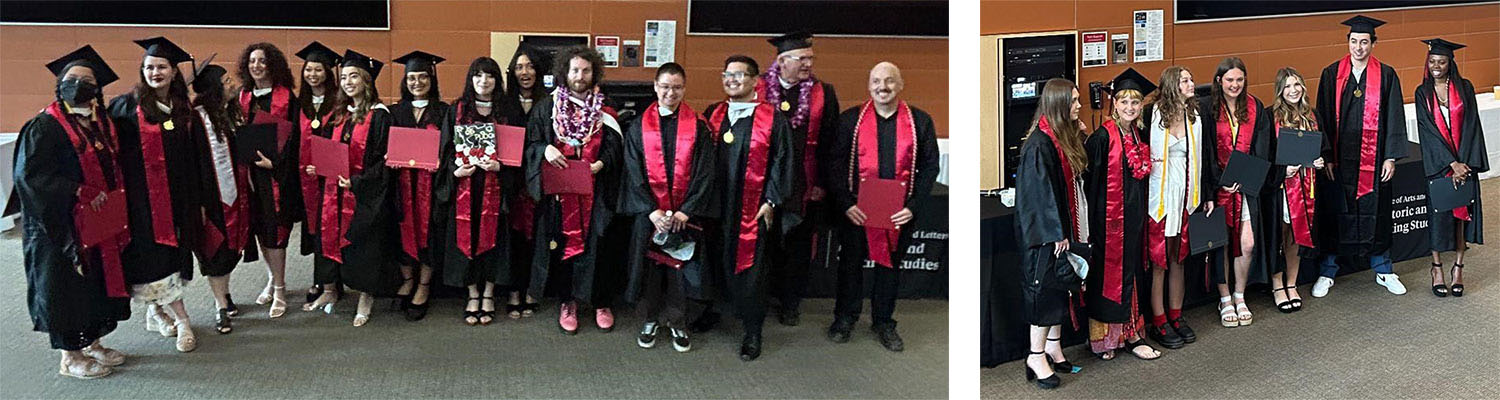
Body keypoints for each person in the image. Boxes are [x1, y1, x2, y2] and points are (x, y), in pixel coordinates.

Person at [18, 45, 133, 379]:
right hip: (59, 227)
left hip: (97, 222)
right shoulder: (44, 126)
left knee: (94, 283)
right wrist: (77, 191)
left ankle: (94, 343)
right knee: (65, 286)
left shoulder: (101, 122)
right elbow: (32, 178)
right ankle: (70, 356)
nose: (79, 85)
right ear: (60, 85)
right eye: (72, 79)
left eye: (87, 80)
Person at [825, 62, 939, 352]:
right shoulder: (850, 121)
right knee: (850, 266)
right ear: (869, 85)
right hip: (857, 210)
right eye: (876, 81)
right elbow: (835, 165)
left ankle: (884, 321)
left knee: (889, 268)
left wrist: (913, 207)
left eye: (889, 81)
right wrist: (846, 203)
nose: (882, 87)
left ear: (900, 85)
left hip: (898, 211)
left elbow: (929, 168)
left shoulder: (920, 122)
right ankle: (845, 318)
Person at [108, 36, 207, 353]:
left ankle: (156, 312)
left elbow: (193, 157)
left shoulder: (182, 109)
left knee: (172, 259)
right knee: (154, 259)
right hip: (142, 204)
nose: (155, 72)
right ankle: (182, 320)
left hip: (177, 200)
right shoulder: (126, 107)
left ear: (174, 72)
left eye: (161, 67)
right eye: (149, 67)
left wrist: (198, 201)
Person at [702, 55, 796, 361]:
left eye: (739, 75)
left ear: (756, 80)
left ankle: (752, 330)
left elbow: (784, 162)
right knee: (715, 257)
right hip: (717, 205)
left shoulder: (772, 118)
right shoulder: (714, 113)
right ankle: (715, 309)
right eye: (727, 74)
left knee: (753, 267)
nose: (732, 80)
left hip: (753, 207)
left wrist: (770, 200)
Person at [525, 46, 624, 335]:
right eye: (575, 70)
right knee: (563, 248)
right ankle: (567, 302)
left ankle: (601, 302)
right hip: (560, 195)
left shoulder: (605, 109)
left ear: (594, 73)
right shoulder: (548, 107)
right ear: (564, 73)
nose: (580, 76)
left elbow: (616, 147)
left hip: (597, 193)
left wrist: (602, 163)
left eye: (586, 70)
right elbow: (531, 144)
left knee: (600, 248)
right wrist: (545, 150)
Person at [1312, 15, 1409, 297]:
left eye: (1364, 42)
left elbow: (1394, 116)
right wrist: (1326, 155)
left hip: (1374, 159)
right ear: (1348, 42)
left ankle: (1384, 269)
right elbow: (1324, 116)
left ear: (1373, 44)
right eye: (1354, 41)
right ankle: (1328, 270)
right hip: (1340, 161)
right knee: (1335, 211)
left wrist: (1391, 156)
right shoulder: (1332, 74)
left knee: (1376, 212)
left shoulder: (1387, 75)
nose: (1358, 47)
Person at [303, 49, 398, 326]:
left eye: (354, 76)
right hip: (334, 192)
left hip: (363, 194)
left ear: (367, 80)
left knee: (364, 244)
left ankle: (365, 297)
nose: (347, 82)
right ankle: (330, 291)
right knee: (328, 236)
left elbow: (385, 161)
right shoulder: (338, 113)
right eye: (343, 77)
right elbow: (328, 150)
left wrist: (356, 182)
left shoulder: (380, 116)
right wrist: (318, 168)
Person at [758, 31, 840, 327]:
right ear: (782, 61)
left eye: (810, 58)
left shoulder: (824, 93)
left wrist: (821, 183)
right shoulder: (758, 90)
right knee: (764, 242)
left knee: (797, 245)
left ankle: (790, 302)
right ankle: (761, 297)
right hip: (764, 182)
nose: (808, 64)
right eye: (802, 58)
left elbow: (831, 143)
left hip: (804, 183)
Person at [1084, 68, 1161, 361]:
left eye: (1135, 102)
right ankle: (1107, 339)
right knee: (1109, 278)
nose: (1130, 107)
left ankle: (1131, 333)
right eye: (1124, 102)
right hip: (1108, 224)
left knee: (1131, 275)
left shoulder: (1140, 136)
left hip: (1135, 221)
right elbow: (1091, 187)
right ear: (1114, 104)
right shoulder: (1101, 138)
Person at [1015, 78, 1087, 390]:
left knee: (1061, 286)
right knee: (1043, 291)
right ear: (1058, 105)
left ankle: (1054, 347)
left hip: (1062, 230)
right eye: (1073, 101)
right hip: (1045, 236)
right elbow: (1038, 196)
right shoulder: (1039, 145)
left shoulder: (1059, 137)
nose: (1079, 105)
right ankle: (1035, 355)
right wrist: (1055, 233)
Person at [438, 56, 515, 326]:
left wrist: (501, 166)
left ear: (497, 80)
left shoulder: (507, 109)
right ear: (471, 79)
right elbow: (445, 150)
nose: (484, 81)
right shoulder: (457, 110)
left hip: (496, 187)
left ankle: (489, 293)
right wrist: (454, 172)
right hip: (465, 187)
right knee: (466, 237)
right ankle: (472, 292)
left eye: (490, 75)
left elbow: (517, 152)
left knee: (496, 240)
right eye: (478, 75)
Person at [1141, 65, 1213, 349]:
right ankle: (1158, 320)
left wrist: (1206, 192)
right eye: (1185, 80)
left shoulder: (1196, 115)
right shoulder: (1153, 115)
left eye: (1191, 78)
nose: (1192, 83)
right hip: (1160, 197)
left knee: (1178, 259)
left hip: (1186, 193)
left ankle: (1176, 315)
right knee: (1159, 262)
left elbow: (1205, 156)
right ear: (1172, 85)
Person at [1201, 57, 1272, 327]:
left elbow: (1261, 149)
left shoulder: (1254, 107)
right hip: (1218, 187)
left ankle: (1240, 294)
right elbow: (1205, 151)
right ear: (1219, 81)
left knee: (1247, 243)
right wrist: (1218, 182)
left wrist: (1245, 179)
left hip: (1245, 188)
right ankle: (1224, 298)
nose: (1235, 85)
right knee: (1221, 243)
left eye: (1239, 80)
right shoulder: (1207, 108)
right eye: (1229, 80)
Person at [235, 42, 304, 319]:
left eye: (262, 61)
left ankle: (280, 288)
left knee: (276, 232)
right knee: (261, 229)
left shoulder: (288, 99)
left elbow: (295, 139)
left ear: (273, 65)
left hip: (276, 175)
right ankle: (271, 278)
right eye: (252, 61)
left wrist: (276, 163)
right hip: (250, 176)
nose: (256, 66)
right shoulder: (242, 97)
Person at [1415, 38, 1486, 298]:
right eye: (1432, 61)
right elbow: (1427, 132)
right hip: (1439, 166)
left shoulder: (1465, 88)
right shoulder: (1422, 92)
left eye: (1441, 61)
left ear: (1450, 63)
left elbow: (1472, 127)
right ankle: (1436, 269)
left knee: (1461, 218)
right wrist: (1450, 162)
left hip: (1464, 165)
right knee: (1437, 218)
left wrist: (1463, 163)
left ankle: (1458, 269)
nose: (1436, 66)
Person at [189, 60, 255, 335]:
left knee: (231, 250)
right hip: (210, 198)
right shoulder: (196, 120)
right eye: (226, 82)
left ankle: (225, 295)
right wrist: (198, 203)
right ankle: (220, 306)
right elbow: (191, 165)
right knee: (214, 252)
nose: (232, 85)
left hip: (236, 195)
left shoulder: (230, 113)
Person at [389, 50, 450, 321]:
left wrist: (440, 160)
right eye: (411, 78)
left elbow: (450, 148)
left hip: (431, 185)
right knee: (401, 230)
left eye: (422, 77)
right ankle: (407, 279)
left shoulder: (444, 111)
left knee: (429, 233)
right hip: (401, 184)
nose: (416, 82)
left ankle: (424, 285)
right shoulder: (394, 111)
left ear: (432, 79)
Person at [1266, 67, 1326, 312]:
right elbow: (1266, 154)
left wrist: (1319, 161)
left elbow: (1319, 149)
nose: (1293, 90)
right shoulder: (1271, 118)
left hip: (1305, 187)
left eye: (1297, 85)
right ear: (1280, 90)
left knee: (1295, 235)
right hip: (1281, 188)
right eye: (1288, 86)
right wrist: (1282, 171)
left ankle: (1292, 283)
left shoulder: (1312, 116)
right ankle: (1277, 284)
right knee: (1278, 237)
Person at [500, 44, 550, 319]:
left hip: (539, 182)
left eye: (530, 66)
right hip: (510, 181)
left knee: (537, 240)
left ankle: (532, 289)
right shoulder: (505, 103)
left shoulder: (550, 103)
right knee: (512, 240)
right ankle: (513, 291)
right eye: (519, 67)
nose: (525, 72)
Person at [294, 41, 342, 308]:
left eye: (318, 70)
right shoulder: (298, 102)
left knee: (330, 227)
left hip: (330, 176)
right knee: (313, 231)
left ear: (328, 73)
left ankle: (333, 282)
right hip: (304, 177)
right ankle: (321, 280)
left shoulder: (338, 101)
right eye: (308, 70)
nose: (312, 74)